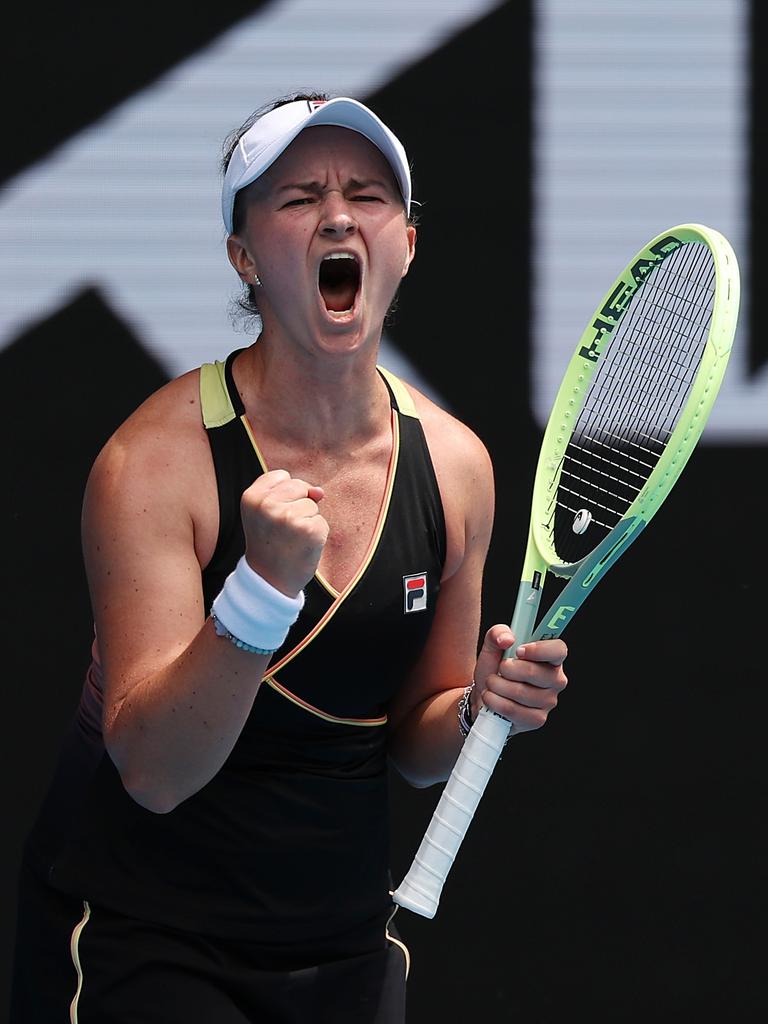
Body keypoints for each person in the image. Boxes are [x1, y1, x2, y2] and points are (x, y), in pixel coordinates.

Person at [9, 91, 569, 1023]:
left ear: (406, 245)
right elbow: (153, 770)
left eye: (367, 195)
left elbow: (416, 745)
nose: (339, 214)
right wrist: (260, 592)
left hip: (341, 949)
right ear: (244, 255)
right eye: (299, 198)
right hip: (143, 945)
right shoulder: (153, 463)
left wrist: (478, 706)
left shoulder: (457, 466)